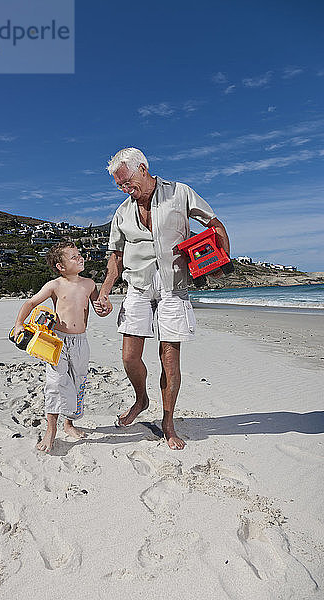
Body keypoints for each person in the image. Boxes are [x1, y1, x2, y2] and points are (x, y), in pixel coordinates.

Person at [94, 147, 230, 450]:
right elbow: (115, 257)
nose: (126, 189)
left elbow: (214, 224)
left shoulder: (180, 193)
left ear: (143, 168)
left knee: (169, 360)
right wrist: (104, 291)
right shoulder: (122, 212)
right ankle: (141, 399)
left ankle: (168, 423)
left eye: (128, 182)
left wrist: (222, 260)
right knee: (129, 356)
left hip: (173, 284)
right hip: (138, 286)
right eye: (120, 186)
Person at [13, 240, 111, 452]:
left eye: (79, 254)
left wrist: (106, 308)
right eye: (74, 257)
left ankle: (69, 424)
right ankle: (51, 430)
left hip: (80, 341)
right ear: (61, 267)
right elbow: (31, 303)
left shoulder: (89, 284)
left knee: (78, 382)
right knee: (56, 383)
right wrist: (19, 324)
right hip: (57, 341)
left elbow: (99, 307)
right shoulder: (54, 285)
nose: (80, 258)